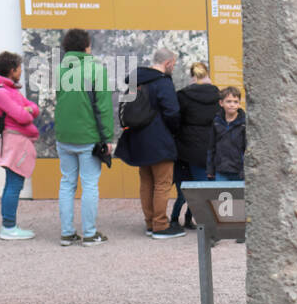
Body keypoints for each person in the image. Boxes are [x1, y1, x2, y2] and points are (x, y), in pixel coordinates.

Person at [53, 28, 115, 245]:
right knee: (89, 184)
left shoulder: (59, 70)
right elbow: (104, 107)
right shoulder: (96, 69)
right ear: (86, 46)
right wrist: (108, 137)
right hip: (88, 136)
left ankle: (67, 233)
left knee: (67, 183)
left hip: (64, 135)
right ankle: (89, 234)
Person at [115, 47, 183, 238]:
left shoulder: (135, 80)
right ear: (168, 63)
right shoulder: (162, 82)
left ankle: (150, 222)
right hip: (159, 139)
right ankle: (161, 225)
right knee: (162, 183)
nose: (173, 67)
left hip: (138, 139)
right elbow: (172, 112)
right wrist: (174, 131)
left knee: (146, 182)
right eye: (174, 64)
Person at [0, 51, 40, 240]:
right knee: (14, 184)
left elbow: (34, 109)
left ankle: (9, 225)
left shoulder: (10, 90)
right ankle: (8, 227)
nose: (21, 71)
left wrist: (27, 109)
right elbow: (22, 116)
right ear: (12, 69)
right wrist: (27, 110)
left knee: (13, 183)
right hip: (14, 141)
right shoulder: (0, 92)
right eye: (20, 68)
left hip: (17, 140)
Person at [171, 62, 220, 230]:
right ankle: (200, 220)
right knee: (207, 186)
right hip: (211, 147)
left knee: (187, 188)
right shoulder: (218, 96)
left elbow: (175, 120)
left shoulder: (183, 96)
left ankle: (176, 220)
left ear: (192, 76)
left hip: (187, 148)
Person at [207, 87, 247, 181]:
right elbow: (211, 148)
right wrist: (210, 169)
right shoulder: (216, 122)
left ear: (239, 103)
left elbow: (247, 148)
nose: (232, 105)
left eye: (235, 102)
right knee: (222, 195)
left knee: (240, 195)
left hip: (239, 171)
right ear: (221, 103)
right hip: (221, 170)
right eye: (228, 101)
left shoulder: (244, 123)